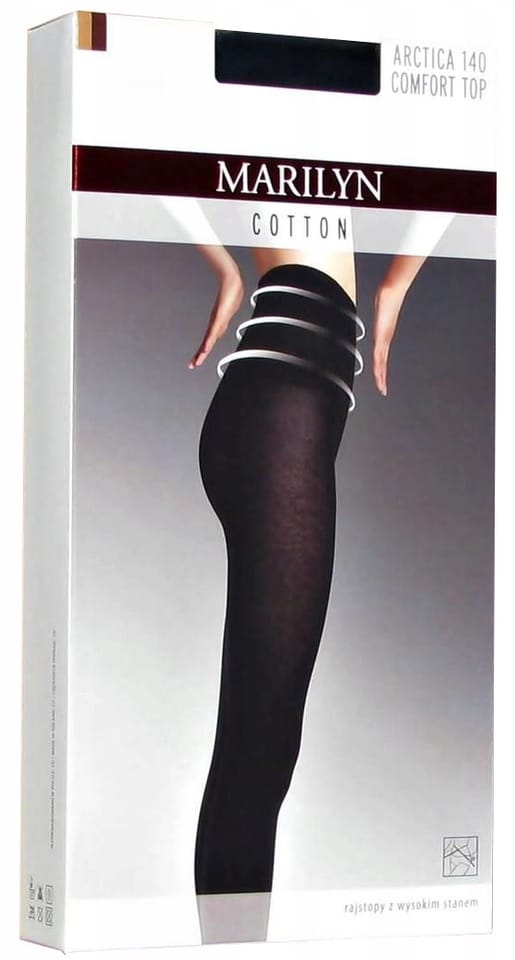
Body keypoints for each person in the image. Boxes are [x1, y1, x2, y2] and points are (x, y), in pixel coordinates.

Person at [161, 197, 453, 943]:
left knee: (257, 748)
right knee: (259, 752)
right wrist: (394, 284)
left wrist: (224, 267)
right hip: (280, 413)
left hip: (283, 409)